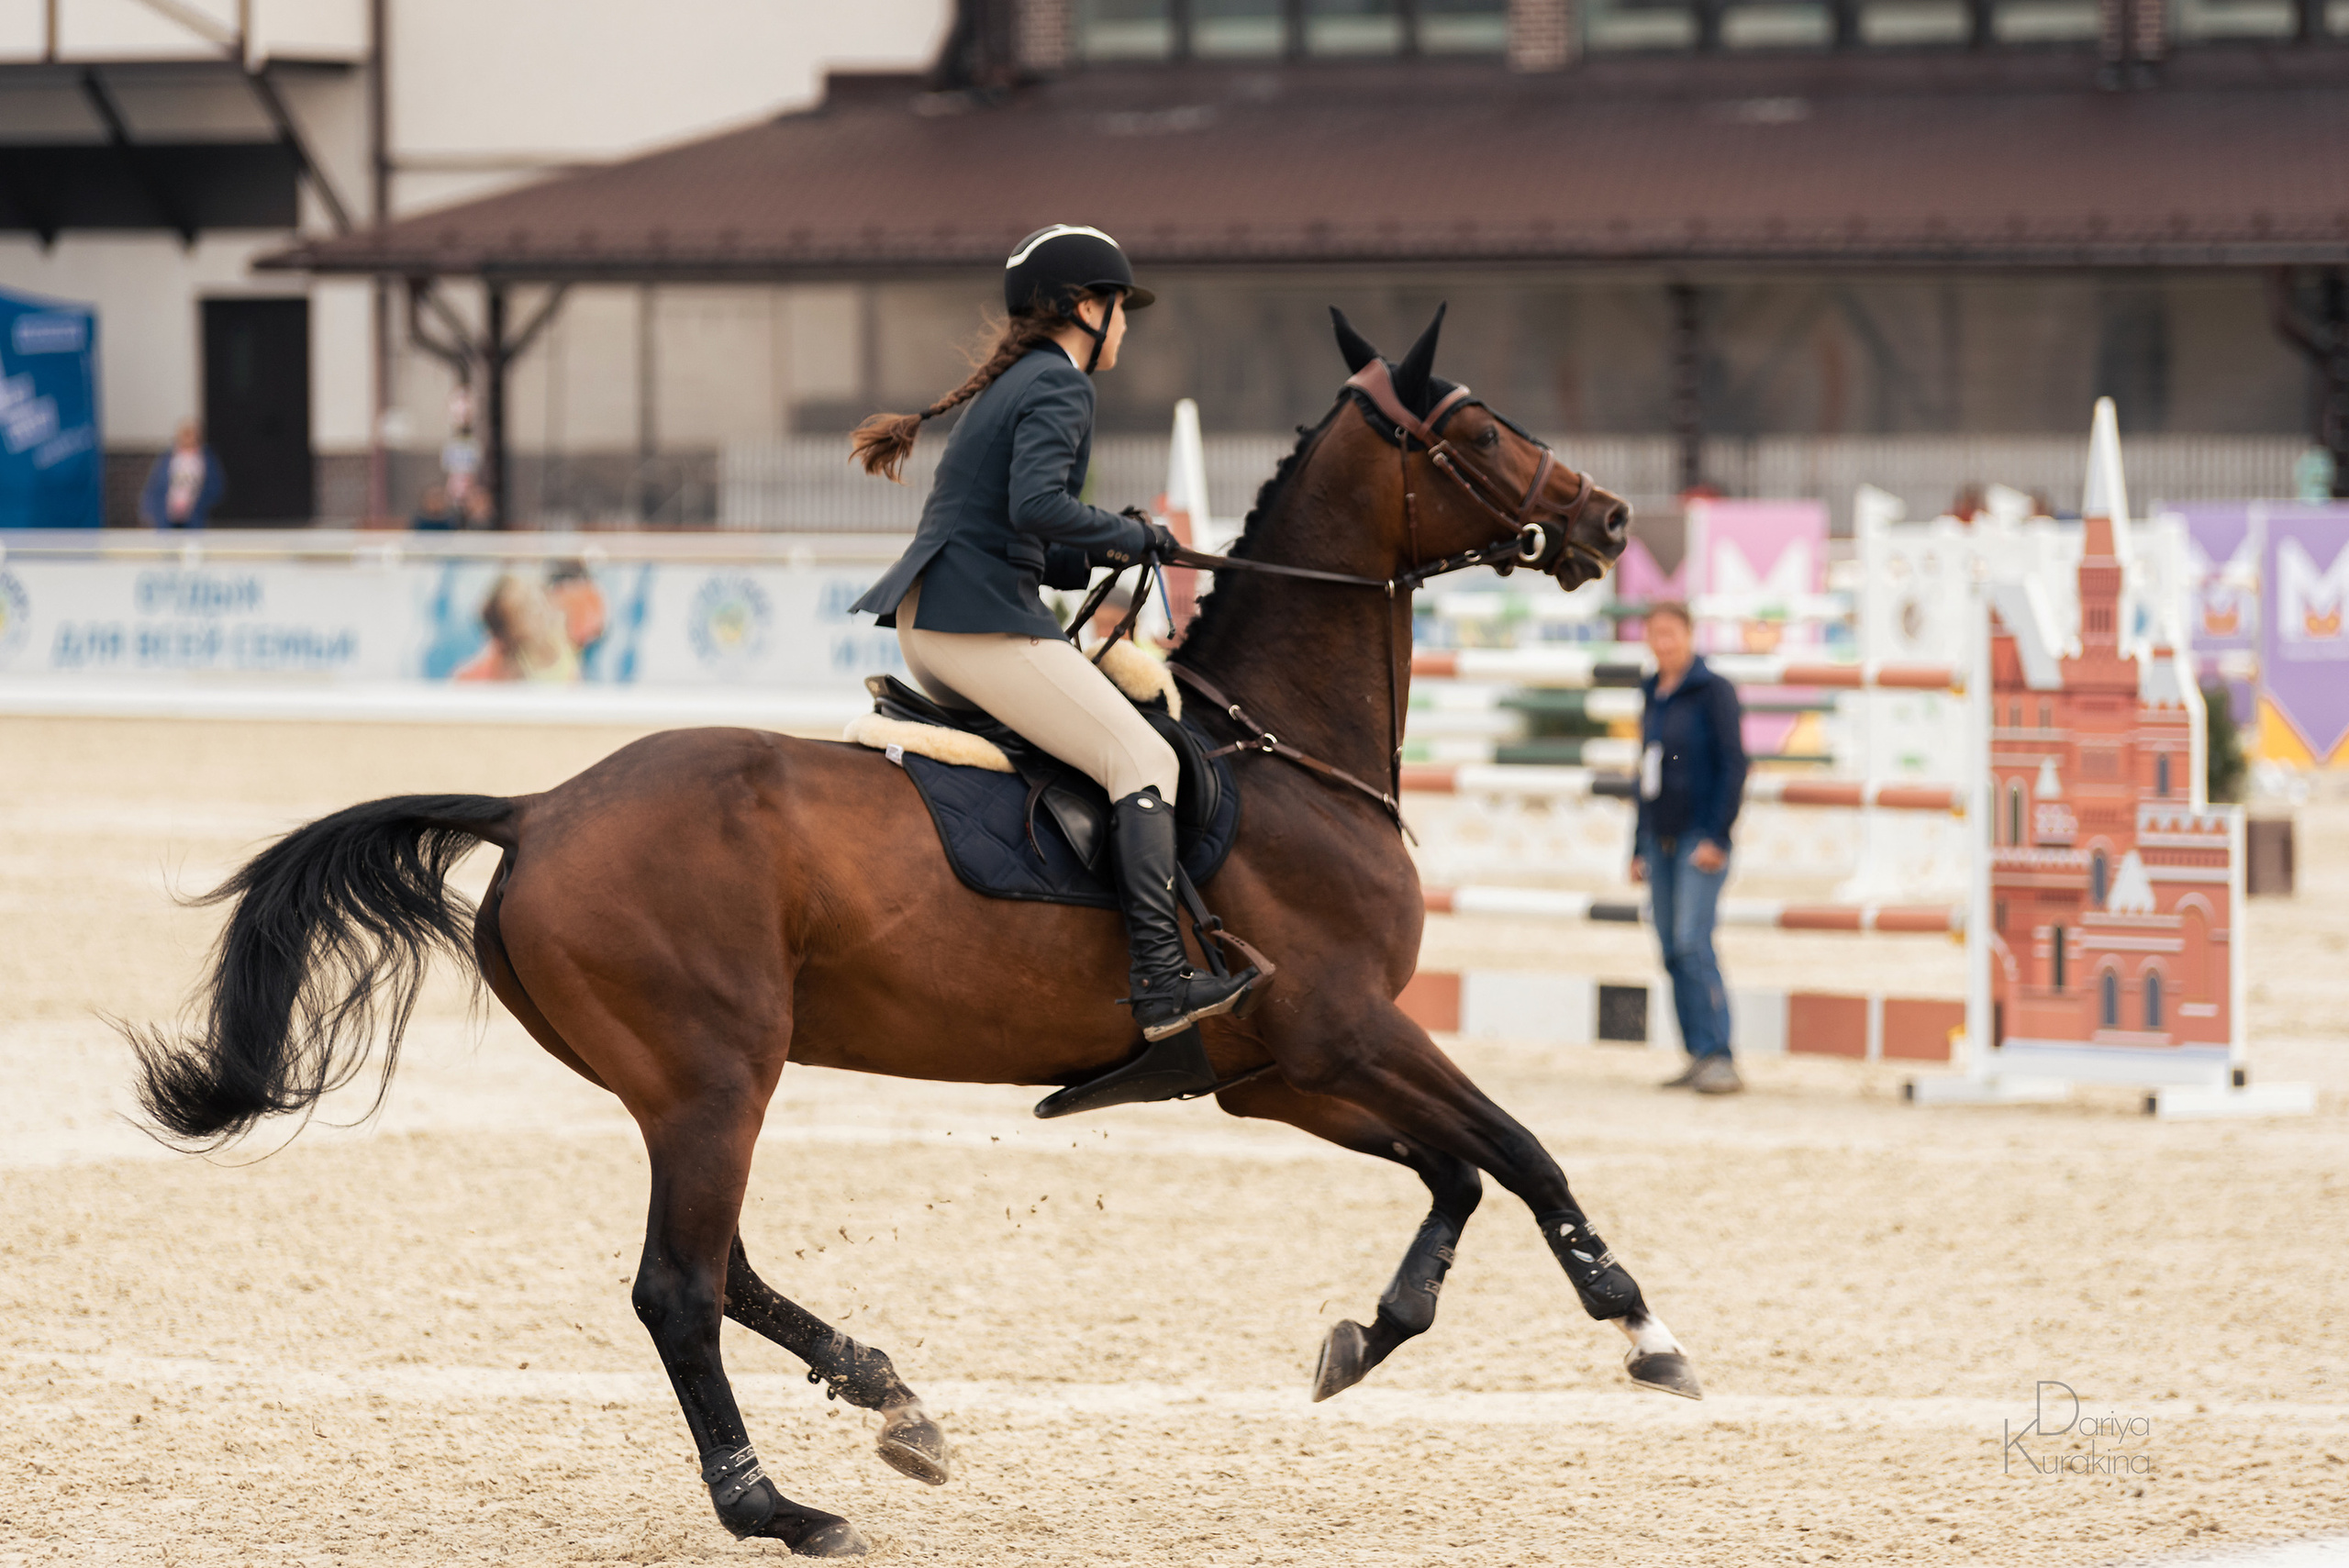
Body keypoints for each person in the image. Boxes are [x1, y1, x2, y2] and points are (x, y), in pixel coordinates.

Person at [847, 224, 1259, 1110]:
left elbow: (1022, 528)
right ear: (1086, 306)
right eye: (1121, 309)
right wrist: (1134, 534)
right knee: (1143, 759)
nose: (1126, 327)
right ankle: (1158, 985)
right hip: (976, 623)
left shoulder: (1022, 383)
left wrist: (1103, 547)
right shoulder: (1058, 385)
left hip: (949, 614)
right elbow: (1039, 503)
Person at [1630, 600, 1748, 1095]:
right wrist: (1637, 844)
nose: (1664, 643)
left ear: (1690, 635)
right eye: (1655, 634)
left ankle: (1721, 1055)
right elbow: (1646, 772)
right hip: (1660, 838)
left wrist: (1718, 836)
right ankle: (1698, 1054)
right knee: (1670, 950)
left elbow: (1735, 765)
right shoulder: (1651, 692)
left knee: (1691, 943)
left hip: (1701, 838)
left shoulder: (1714, 691)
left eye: (1672, 634)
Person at [138, 423, 225, 528]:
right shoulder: (168, 458)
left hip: (194, 516)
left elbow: (215, 487)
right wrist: (149, 510)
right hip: (167, 516)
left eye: (191, 435)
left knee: (193, 543)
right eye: (185, 435)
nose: (188, 439)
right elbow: (155, 485)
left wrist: (202, 504)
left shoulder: (206, 459)